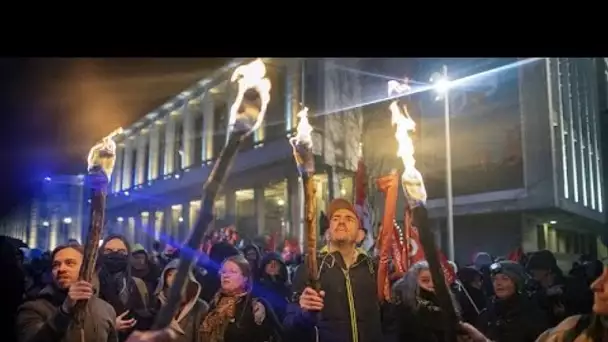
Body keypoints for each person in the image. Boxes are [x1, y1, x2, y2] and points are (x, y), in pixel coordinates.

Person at [284, 198, 394, 342]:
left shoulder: (374, 269)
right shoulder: (310, 268)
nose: (341, 222)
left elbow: (390, 322)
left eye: (349, 218)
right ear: (328, 232)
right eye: (335, 218)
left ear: (360, 235)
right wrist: (303, 313)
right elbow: (289, 326)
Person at [16, 243, 118, 342]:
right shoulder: (34, 308)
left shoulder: (105, 309)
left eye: (70, 263)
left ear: (88, 268)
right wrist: (64, 311)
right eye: (56, 265)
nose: (61, 269)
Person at [200, 255, 282, 342]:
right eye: (223, 272)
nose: (226, 275)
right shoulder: (214, 301)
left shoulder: (255, 306)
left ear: (245, 278)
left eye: (232, 272)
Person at [96, 235, 153, 340]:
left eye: (121, 251)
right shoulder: (92, 284)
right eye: (108, 251)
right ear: (101, 253)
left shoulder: (137, 284)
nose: (115, 254)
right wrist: (111, 327)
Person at [476, 261, 548, 342]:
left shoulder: (532, 314)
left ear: (517, 283)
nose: (498, 283)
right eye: (495, 279)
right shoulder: (486, 314)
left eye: (505, 279)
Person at [392, 261, 461, 342]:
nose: (432, 284)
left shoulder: (443, 299)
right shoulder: (409, 307)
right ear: (413, 283)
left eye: (435, 280)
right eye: (425, 280)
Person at [153, 259, 209, 342]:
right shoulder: (155, 303)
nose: (173, 278)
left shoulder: (201, 307)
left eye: (178, 274)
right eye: (169, 275)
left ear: (189, 278)